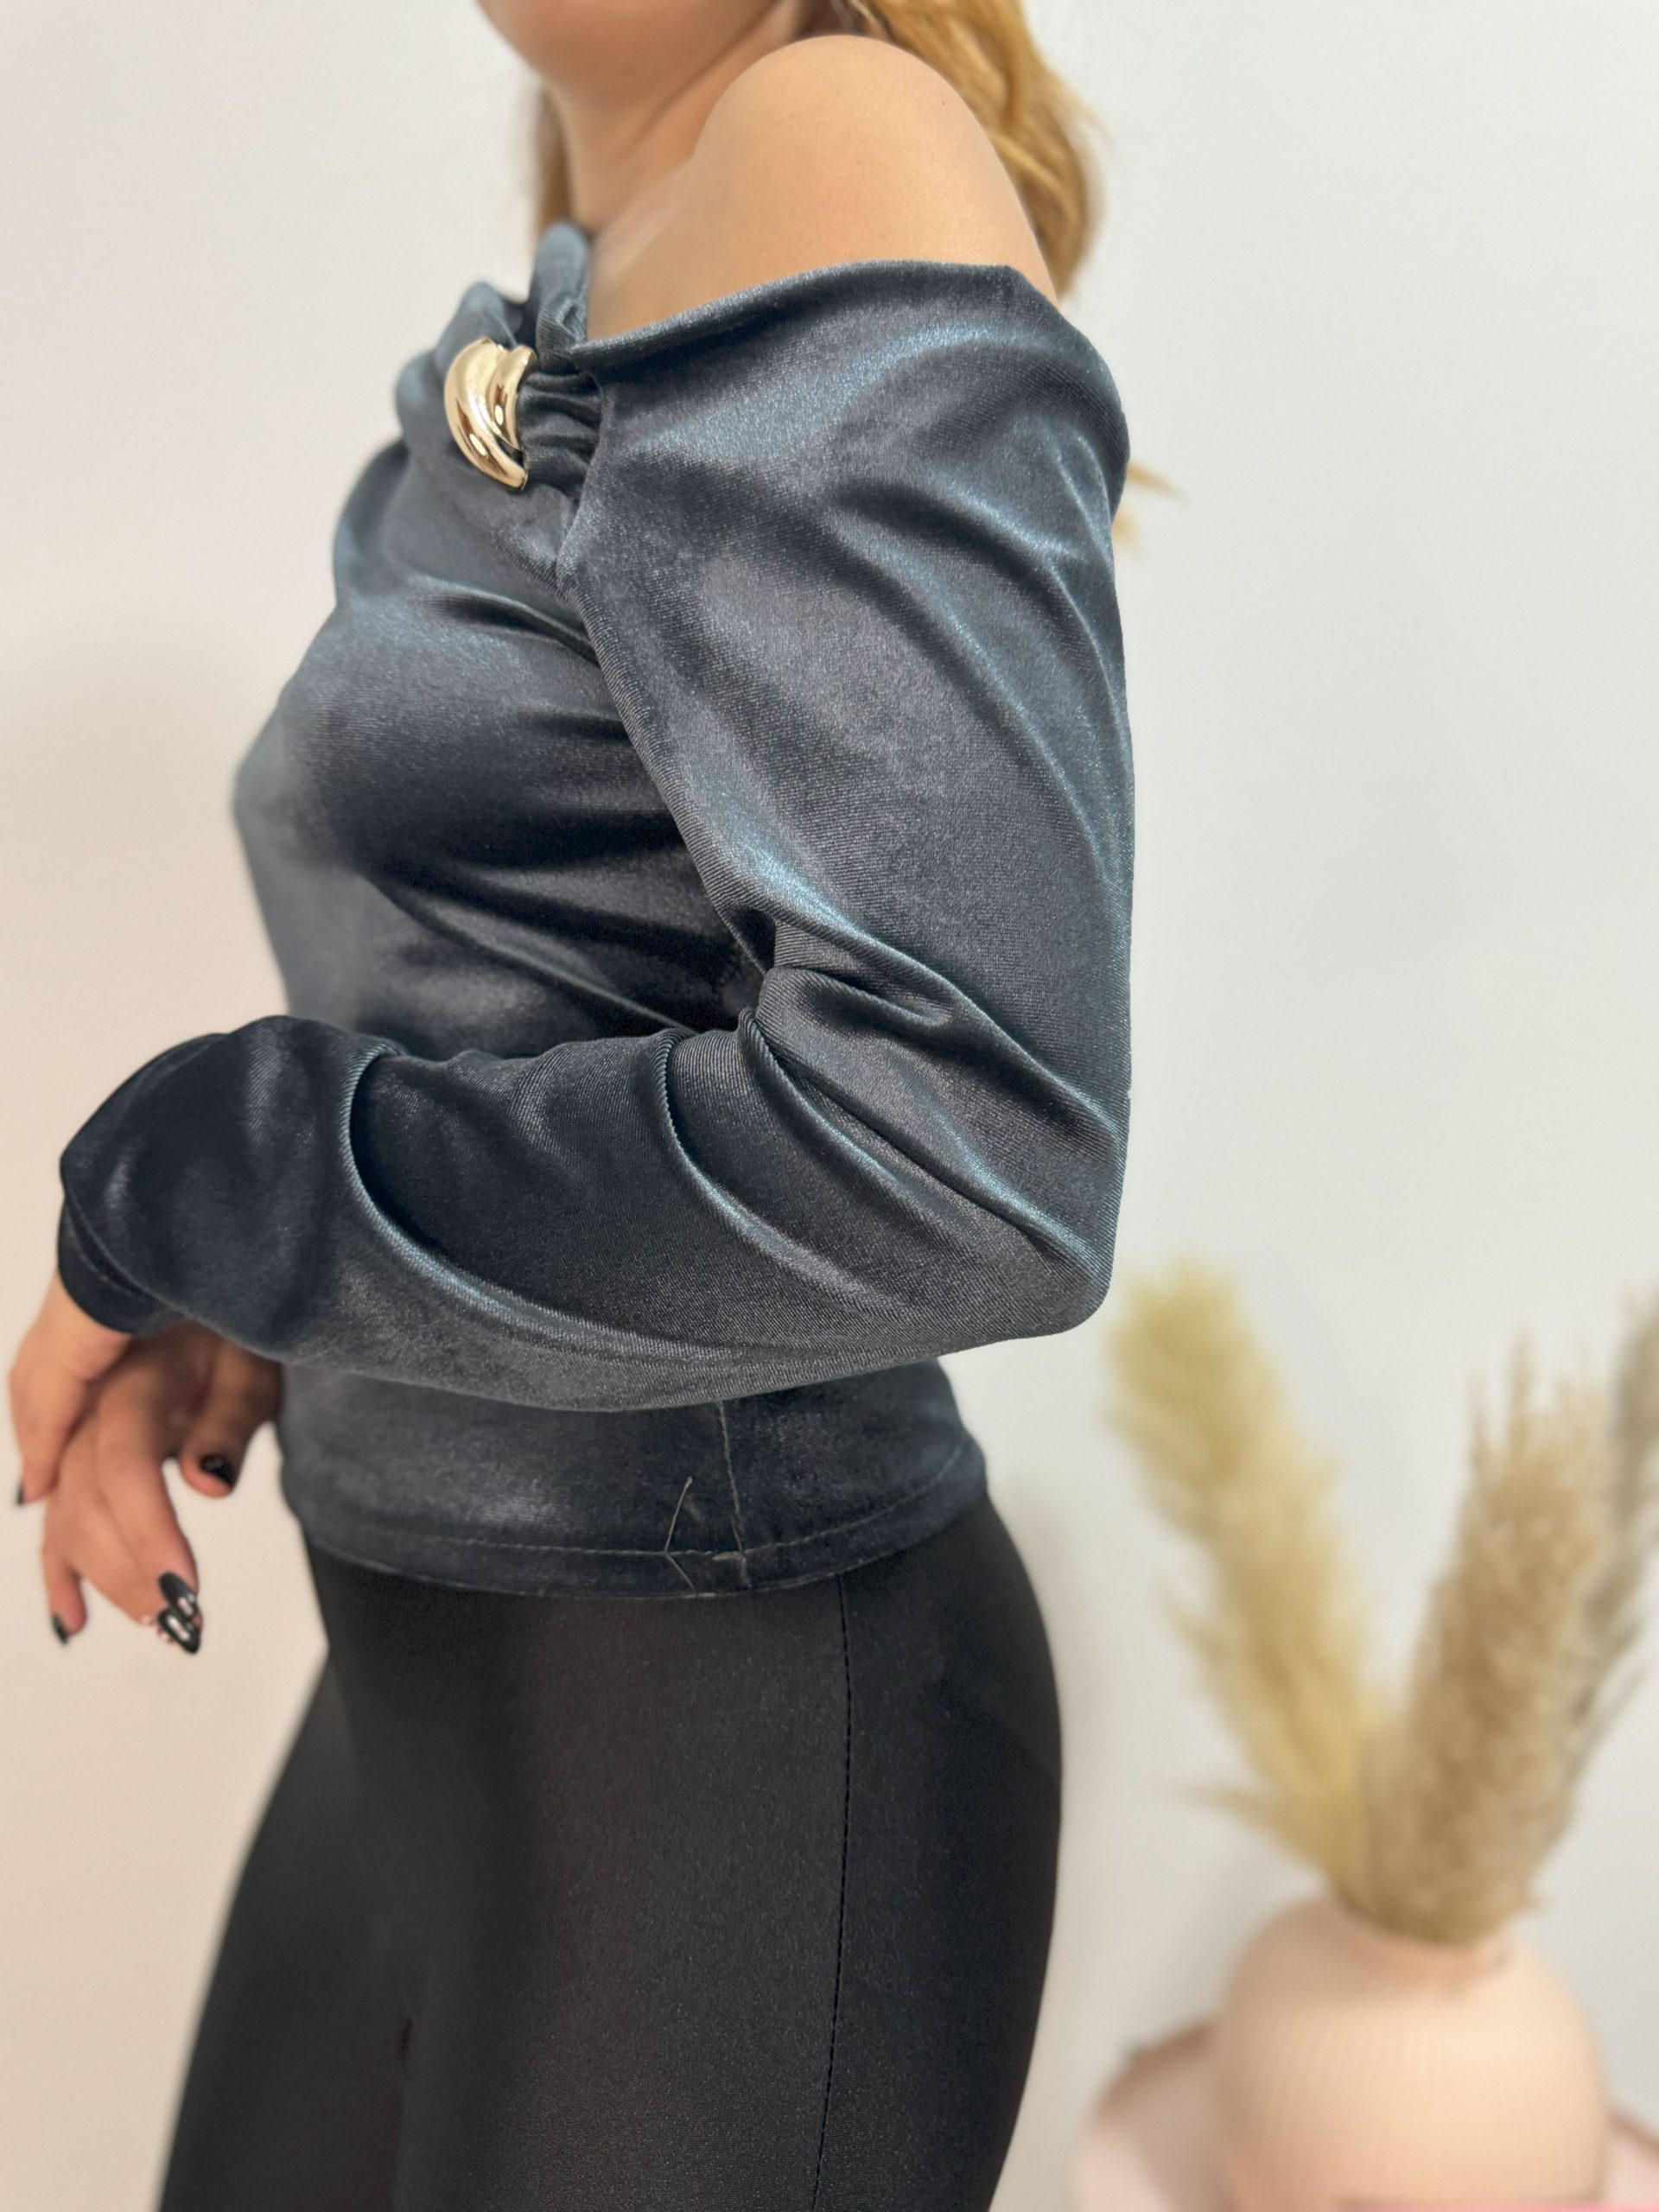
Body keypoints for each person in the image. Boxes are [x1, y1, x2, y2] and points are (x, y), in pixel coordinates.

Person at [7, 0, 1135, 2203]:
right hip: (435, 1695)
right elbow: (574, 969)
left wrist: (226, 1178)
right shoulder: (628, 224)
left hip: (723, 1750)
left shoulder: (825, 125)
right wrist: (309, 1292)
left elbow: (963, 1146)